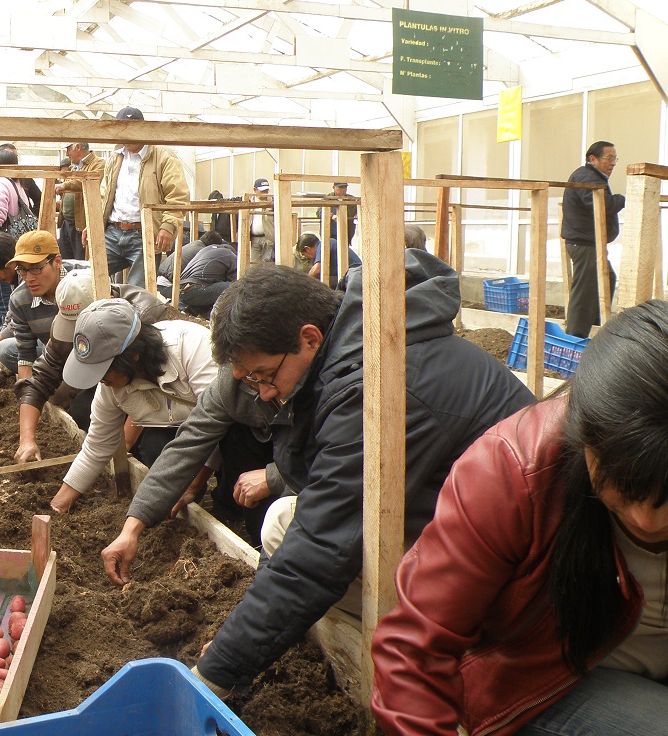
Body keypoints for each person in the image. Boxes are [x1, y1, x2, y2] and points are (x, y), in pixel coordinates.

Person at [100, 252, 535, 695]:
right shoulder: (345, 349)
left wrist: (219, 670)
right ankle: (340, 632)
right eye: (251, 380)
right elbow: (306, 514)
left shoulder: (378, 386)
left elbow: (321, 547)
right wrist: (244, 632)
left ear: (308, 338)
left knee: (310, 545)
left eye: (265, 376)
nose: (263, 393)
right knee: (282, 522)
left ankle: (432, 658)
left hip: (523, 572)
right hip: (456, 515)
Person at [372, 300, 668, 736]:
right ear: (585, 436)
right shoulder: (512, 470)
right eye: (623, 486)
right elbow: (415, 650)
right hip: (541, 684)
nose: (646, 520)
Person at [48, 299, 218, 514]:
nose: (99, 379)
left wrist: (194, 485)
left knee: (235, 464)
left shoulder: (192, 347)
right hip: (179, 426)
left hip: (229, 427)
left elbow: (217, 422)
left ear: (132, 355)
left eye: (104, 369)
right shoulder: (110, 386)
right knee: (155, 448)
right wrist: (58, 505)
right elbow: (97, 446)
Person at [14, 268, 173, 464]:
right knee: (82, 410)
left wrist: (124, 448)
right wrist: (26, 440)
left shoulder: (145, 316)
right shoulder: (63, 326)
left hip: (158, 394)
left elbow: (152, 382)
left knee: (154, 446)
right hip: (110, 382)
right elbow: (40, 378)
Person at [89, 106, 190, 288]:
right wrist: (93, 224)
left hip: (143, 235)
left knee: (137, 291)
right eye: (121, 129)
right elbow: (103, 196)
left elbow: (178, 195)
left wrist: (167, 226)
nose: (126, 135)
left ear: (143, 129)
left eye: (131, 129)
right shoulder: (115, 158)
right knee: (90, 279)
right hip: (112, 232)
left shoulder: (163, 157)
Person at [0, 230, 86, 381]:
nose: (29, 278)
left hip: (91, 353)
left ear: (57, 262)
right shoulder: (20, 295)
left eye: (36, 268)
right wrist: (26, 389)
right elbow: (22, 347)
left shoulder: (87, 278)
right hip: (57, 353)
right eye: (23, 270)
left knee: (2, 347)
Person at [562, 141, 625, 338]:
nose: (612, 163)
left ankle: (594, 325)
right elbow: (601, 205)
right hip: (583, 243)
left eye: (615, 159)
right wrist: (621, 199)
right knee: (585, 291)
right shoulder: (586, 176)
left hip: (590, 243)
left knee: (607, 278)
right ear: (593, 159)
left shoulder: (593, 176)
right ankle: (574, 338)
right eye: (609, 158)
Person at [56, 141, 103, 261]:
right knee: (65, 260)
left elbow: (87, 181)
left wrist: (64, 186)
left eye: (68, 149)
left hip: (82, 224)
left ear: (77, 147)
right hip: (66, 223)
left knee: (81, 261)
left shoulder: (99, 164)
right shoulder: (73, 167)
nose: (67, 154)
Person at [174, 239, 237, 319]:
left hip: (180, 289)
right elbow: (236, 280)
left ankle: (193, 310)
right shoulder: (231, 256)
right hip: (195, 289)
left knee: (212, 285)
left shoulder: (208, 249)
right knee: (235, 287)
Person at [0, 143, 42, 213]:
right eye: (9, 156)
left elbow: (39, 199)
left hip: (20, 219)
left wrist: (32, 215)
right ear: (0, 157)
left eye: (15, 156)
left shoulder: (24, 178)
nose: (13, 160)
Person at [249, 178, 277, 263]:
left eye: (266, 191)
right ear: (255, 190)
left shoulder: (273, 202)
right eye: (262, 191)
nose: (265, 193)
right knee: (254, 263)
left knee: (267, 263)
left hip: (268, 239)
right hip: (254, 239)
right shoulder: (249, 202)